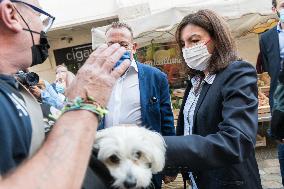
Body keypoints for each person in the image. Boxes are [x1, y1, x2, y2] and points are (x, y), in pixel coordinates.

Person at [0, 0, 130, 188]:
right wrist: (85, 104)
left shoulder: (14, 85)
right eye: (39, 16)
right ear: (11, 15)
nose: (44, 29)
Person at [163, 10, 262, 189]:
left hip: (228, 182)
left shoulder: (237, 73)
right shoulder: (196, 80)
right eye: (183, 44)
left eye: (194, 40)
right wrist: (172, 166)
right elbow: (189, 131)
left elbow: (236, 141)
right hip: (198, 180)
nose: (187, 49)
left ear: (217, 39)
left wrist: (160, 146)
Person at [99, 22, 176, 189]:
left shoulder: (155, 77)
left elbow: (166, 122)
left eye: (123, 44)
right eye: (111, 45)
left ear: (133, 47)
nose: (117, 49)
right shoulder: (96, 77)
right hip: (107, 164)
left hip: (141, 163)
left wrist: (170, 165)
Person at [259, 0, 284, 185]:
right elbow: (269, 67)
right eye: (283, 5)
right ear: (274, 9)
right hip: (280, 99)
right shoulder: (266, 38)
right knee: (282, 145)